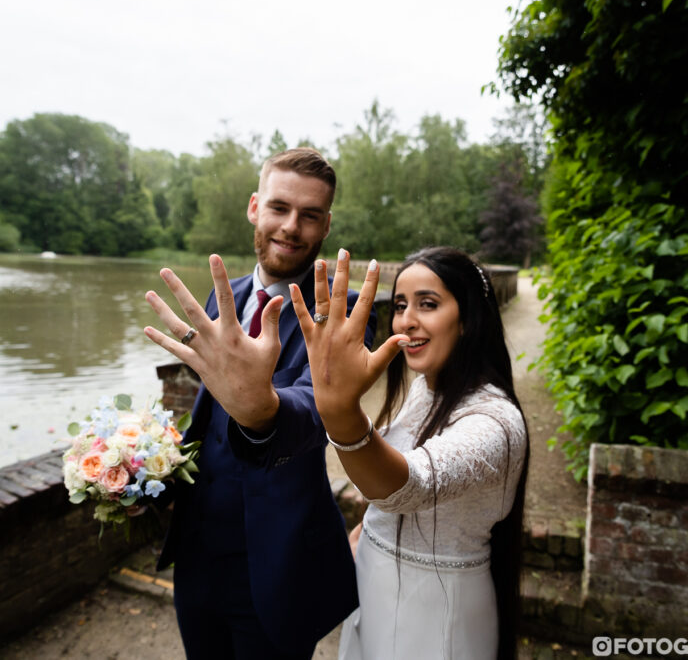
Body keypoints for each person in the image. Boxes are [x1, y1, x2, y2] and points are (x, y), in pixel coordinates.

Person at [142, 148, 375, 659]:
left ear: (326, 225)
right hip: (197, 555)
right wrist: (145, 467)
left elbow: (318, 411)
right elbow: (205, 410)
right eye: (279, 208)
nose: (291, 227)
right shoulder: (222, 298)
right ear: (254, 207)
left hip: (278, 563)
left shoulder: (344, 310)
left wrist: (262, 410)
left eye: (310, 215)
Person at [289, 246, 529, 660]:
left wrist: (341, 411)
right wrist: (370, 530)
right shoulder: (427, 387)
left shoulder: (497, 424)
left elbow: (413, 484)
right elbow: (394, 481)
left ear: (469, 318)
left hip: (435, 610)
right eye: (400, 305)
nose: (406, 320)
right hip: (374, 585)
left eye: (428, 304)